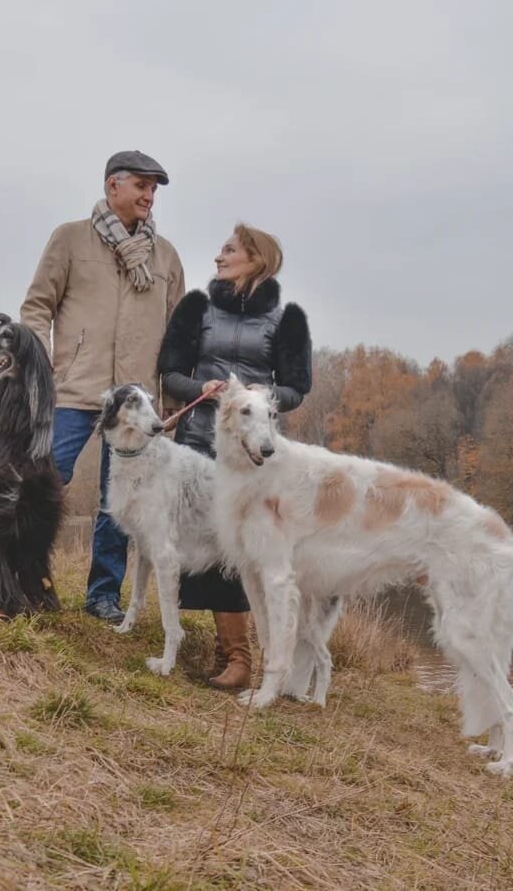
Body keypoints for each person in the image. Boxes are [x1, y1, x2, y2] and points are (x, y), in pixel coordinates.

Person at [21, 151, 185, 622]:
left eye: (154, 188)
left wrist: (170, 407)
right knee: (43, 480)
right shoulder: (70, 239)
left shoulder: (166, 256)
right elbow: (36, 307)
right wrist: (41, 366)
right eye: (141, 185)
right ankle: (28, 578)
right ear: (113, 186)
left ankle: (102, 596)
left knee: (121, 501)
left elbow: (176, 334)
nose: (149, 196)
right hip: (74, 388)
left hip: (135, 402)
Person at [157, 224, 312, 688]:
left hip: (251, 453)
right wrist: (199, 388)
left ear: (256, 259)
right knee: (200, 543)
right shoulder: (196, 308)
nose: (218, 257)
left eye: (229, 250)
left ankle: (244, 658)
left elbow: (297, 388)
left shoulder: (288, 320)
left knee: (243, 546)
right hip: (196, 442)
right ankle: (223, 650)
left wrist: (266, 395)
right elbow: (169, 373)